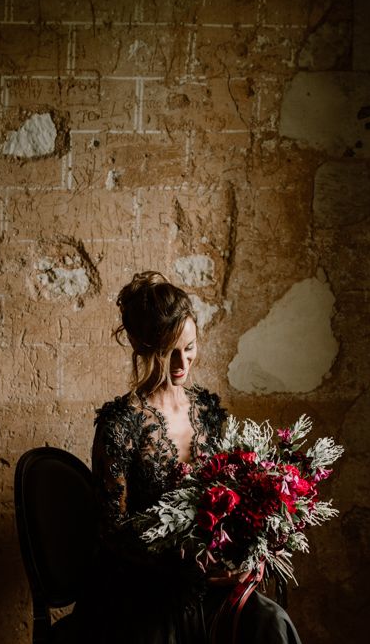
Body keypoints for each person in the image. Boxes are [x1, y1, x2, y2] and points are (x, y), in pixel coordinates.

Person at [86, 271, 301, 644]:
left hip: (213, 581)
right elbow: (112, 531)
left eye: (189, 347)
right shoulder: (120, 425)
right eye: (168, 352)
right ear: (142, 347)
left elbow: (237, 493)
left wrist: (245, 551)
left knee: (271, 623)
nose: (181, 363)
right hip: (146, 585)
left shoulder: (207, 410)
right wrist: (184, 562)